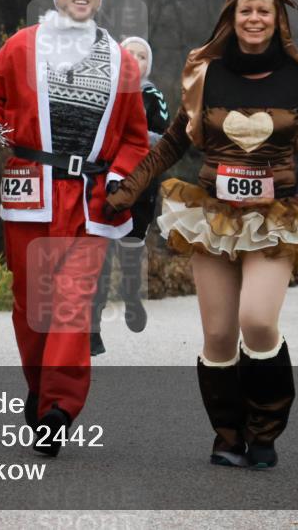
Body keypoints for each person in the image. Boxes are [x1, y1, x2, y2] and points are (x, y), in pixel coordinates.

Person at [106, 0, 298, 468]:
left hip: (275, 217)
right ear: (230, 18)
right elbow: (172, 142)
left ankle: (265, 430)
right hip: (213, 213)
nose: (254, 18)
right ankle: (228, 434)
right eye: (245, 10)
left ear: (278, 19)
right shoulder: (205, 74)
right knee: (216, 333)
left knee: (257, 321)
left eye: (263, 11)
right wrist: (129, 186)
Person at [0, 0, 149, 456]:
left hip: (91, 197)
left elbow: (136, 139)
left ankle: (59, 407)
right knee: (31, 304)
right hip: (31, 187)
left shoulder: (123, 62)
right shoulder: (20, 46)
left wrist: (120, 177)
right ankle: (39, 388)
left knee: (73, 304)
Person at [89, 36, 170, 356]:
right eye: (129, 53)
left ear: (149, 64)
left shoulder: (153, 96)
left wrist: (130, 140)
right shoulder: (101, 89)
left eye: (143, 56)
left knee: (131, 246)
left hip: (141, 184)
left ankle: (132, 297)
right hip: (103, 182)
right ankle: (93, 329)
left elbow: (162, 139)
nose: (136, 60)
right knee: (101, 253)